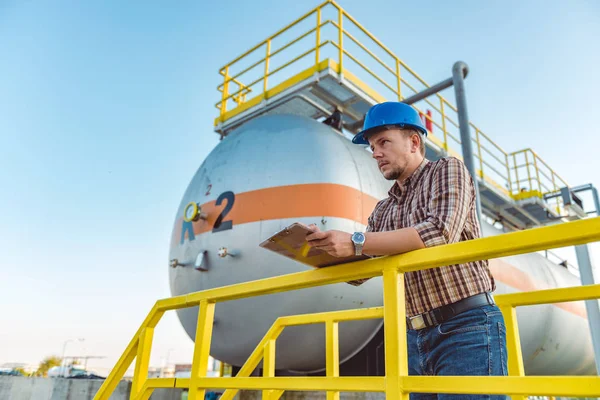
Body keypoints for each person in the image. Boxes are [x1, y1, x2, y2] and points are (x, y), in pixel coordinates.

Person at [306, 101, 508, 400]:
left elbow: (440, 231)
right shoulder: (383, 210)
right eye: (372, 146)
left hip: (466, 327)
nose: (375, 153)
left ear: (414, 141)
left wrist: (356, 241)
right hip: (412, 336)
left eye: (383, 142)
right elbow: (361, 270)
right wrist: (322, 251)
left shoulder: (447, 169)